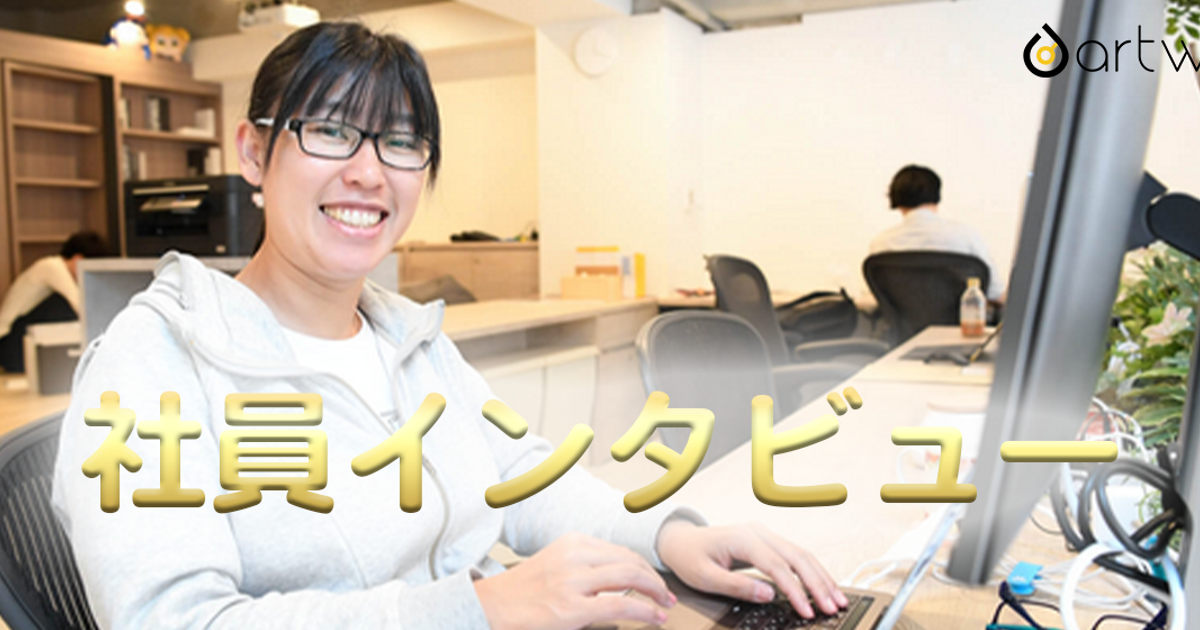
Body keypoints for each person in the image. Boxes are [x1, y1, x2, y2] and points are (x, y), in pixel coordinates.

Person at [52, 22, 846, 630]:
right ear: (254, 154)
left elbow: (523, 477)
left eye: (401, 142)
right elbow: (172, 620)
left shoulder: (406, 336)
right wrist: (478, 608)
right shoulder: (153, 362)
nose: (368, 172)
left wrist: (670, 537)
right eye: (329, 131)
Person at [869, 165, 1006, 302]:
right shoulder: (966, 236)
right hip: (961, 316)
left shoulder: (881, 244)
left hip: (899, 317)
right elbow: (996, 294)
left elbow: (874, 299)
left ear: (895, 200)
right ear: (937, 196)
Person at [0, 230, 107, 372]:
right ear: (78, 259)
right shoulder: (52, 267)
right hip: (7, 342)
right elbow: (79, 304)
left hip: (13, 342)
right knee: (62, 304)